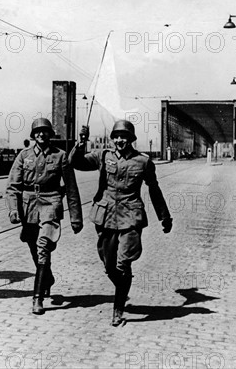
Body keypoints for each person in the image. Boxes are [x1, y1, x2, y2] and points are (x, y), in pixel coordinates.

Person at [69, 120, 172, 327]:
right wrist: (80, 143)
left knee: (122, 263)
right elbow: (76, 163)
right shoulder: (103, 156)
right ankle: (123, 286)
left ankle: (118, 309)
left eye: (123, 137)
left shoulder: (143, 161)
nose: (119, 140)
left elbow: (154, 188)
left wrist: (164, 216)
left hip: (130, 216)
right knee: (109, 265)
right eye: (116, 137)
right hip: (105, 216)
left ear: (131, 139)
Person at [6, 118, 83, 315]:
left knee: (43, 246)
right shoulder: (24, 156)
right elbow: (13, 186)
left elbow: (72, 189)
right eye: (37, 132)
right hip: (29, 204)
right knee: (33, 244)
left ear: (50, 134)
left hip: (51, 201)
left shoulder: (60, 156)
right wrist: (13, 209)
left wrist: (76, 217)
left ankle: (37, 298)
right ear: (33, 135)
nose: (41, 134)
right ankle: (47, 277)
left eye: (45, 131)